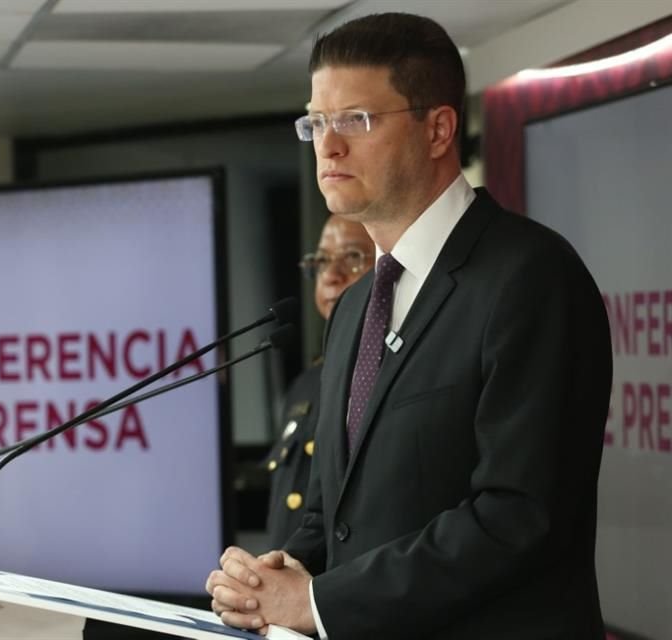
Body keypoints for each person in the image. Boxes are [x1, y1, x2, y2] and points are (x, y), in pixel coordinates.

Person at [207, 12, 612, 639]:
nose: (328, 145)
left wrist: (317, 604)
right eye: (316, 122)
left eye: (355, 120)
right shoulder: (353, 307)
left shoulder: (529, 278)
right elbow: (332, 513)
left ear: (439, 129)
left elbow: (515, 517)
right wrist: (274, 578)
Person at [265, 215, 374, 549]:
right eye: (322, 260)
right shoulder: (306, 383)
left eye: (353, 258)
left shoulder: (381, 374)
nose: (330, 275)